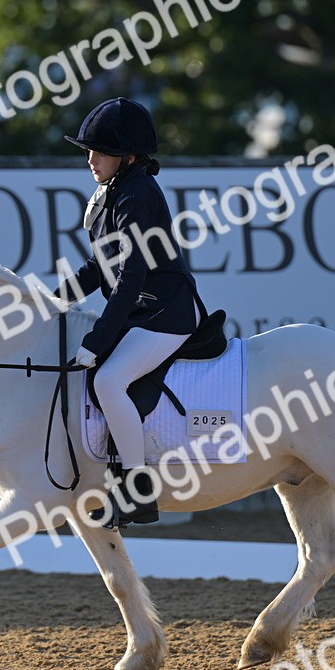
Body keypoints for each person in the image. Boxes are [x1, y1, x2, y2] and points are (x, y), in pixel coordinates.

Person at [57, 97, 202, 527]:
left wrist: (98, 339)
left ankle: (138, 490)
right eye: (89, 150)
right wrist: (51, 300)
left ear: (130, 156)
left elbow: (131, 276)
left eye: (101, 151)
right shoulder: (110, 192)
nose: (91, 159)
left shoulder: (137, 195)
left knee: (108, 378)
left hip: (166, 315)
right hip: (142, 313)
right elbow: (98, 266)